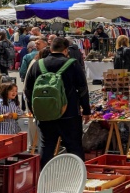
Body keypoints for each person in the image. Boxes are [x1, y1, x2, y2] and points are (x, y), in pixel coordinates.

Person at [24, 37, 90, 168]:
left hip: (44, 114)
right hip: (69, 113)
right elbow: (83, 89)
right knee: (74, 147)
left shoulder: (38, 64)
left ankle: (43, 177)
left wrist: (34, 110)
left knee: (46, 147)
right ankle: (77, 176)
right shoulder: (73, 64)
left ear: (50, 48)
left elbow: (27, 90)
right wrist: (86, 110)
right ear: (66, 50)